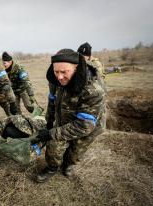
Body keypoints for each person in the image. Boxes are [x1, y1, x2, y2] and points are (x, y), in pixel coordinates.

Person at [35, 49, 106, 183]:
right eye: (56, 71)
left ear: (76, 68)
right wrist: (49, 122)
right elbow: (52, 101)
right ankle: (52, 168)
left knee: (76, 151)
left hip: (87, 125)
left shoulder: (93, 90)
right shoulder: (55, 80)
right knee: (54, 147)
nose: (59, 77)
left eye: (64, 72)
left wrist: (51, 134)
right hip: (65, 118)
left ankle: (67, 165)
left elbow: (83, 126)